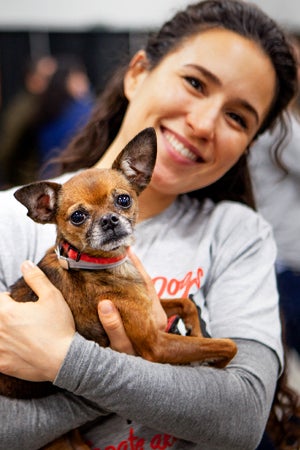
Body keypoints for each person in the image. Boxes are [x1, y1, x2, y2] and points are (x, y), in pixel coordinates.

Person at [0, 1, 299, 449]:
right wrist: (127, 372)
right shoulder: (8, 224)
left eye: (237, 117)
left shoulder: (240, 234)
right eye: (195, 83)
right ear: (138, 72)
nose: (202, 124)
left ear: (249, 145)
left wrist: (65, 359)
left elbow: (241, 418)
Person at [0, 55, 57, 187]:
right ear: (32, 78)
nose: (54, 82)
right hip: (26, 181)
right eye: (48, 78)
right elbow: (8, 149)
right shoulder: (24, 109)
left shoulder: (50, 104)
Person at [35, 55, 94, 178]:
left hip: (48, 176)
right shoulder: (83, 112)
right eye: (79, 79)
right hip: (77, 177)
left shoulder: (44, 109)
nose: (85, 83)